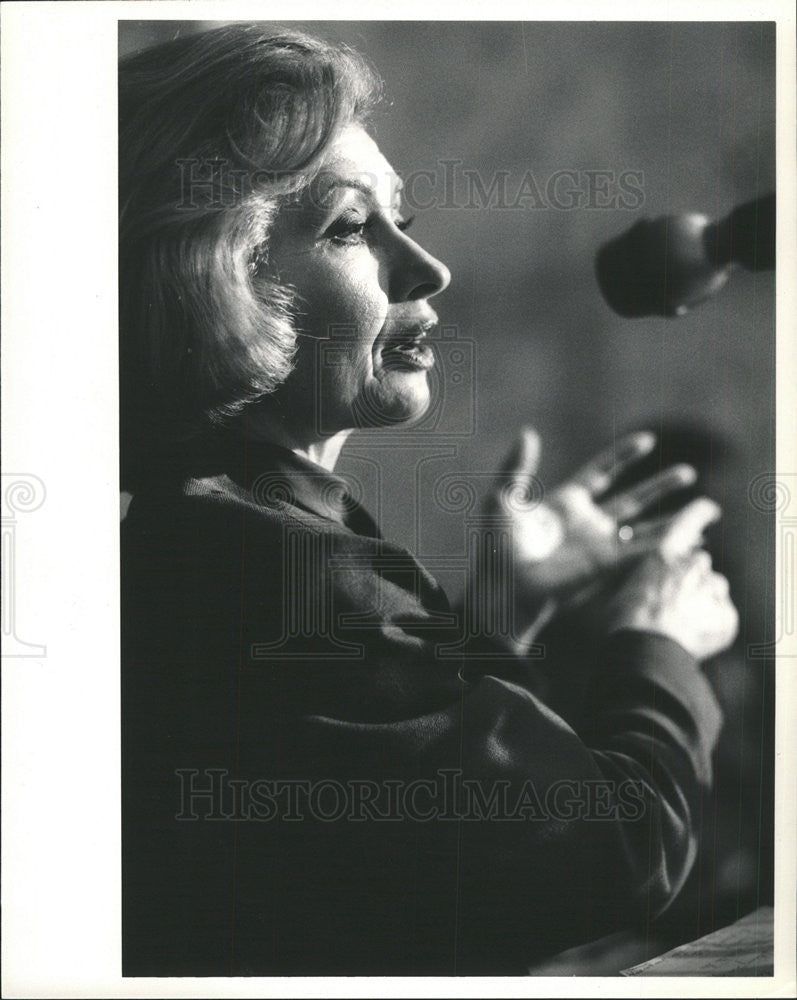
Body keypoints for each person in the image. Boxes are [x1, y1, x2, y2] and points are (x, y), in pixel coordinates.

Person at [120, 24, 738, 976]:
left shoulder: (223, 524)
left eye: (403, 219)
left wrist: (500, 612)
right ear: (209, 276)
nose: (428, 268)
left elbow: (376, 833)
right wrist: (654, 644)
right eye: (351, 228)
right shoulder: (275, 564)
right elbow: (615, 852)